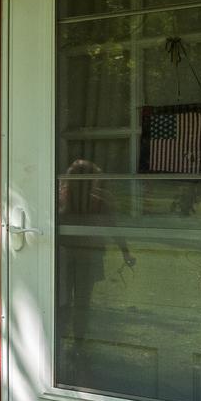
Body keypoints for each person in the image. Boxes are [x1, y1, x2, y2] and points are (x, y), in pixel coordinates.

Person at [56, 157, 134, 380]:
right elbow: (113, 226)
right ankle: (72, 344)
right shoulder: (66, 197)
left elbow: (112, 225)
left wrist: (125, 251)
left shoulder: (94, 199)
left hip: (79, 256)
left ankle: (71, 345)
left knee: (70, 302)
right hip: (73, 256)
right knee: (76, 302)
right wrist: (125, 251)